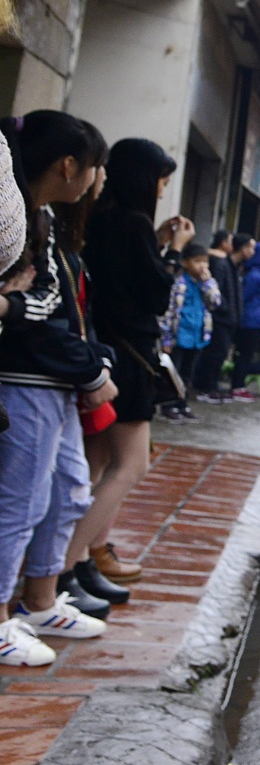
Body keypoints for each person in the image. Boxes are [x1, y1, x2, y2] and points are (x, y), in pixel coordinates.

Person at [0, 112, 115, 666]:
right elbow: (39, 309)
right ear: (69, 165)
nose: (99, 181)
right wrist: (92, 369)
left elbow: (41, 304)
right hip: (28, 378)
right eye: (95, 168)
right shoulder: (20, 218)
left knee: (67, 487)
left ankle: (39, 600)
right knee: (19, 501)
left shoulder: (44, 219)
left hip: (56, 379)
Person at [69, 139, 191, 608]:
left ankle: (80, 563)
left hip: (104, 350)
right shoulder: (132, 222)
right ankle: (66, 564)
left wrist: (157, 243)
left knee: (96, 463)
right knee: (130, 464)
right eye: (162, 179)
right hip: (130, 355)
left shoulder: (100, 218)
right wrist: (174, 251)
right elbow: (156, 295)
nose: (163, 188)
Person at [162, 244, 219, 422]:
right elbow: (169, 312)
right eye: (197, 261)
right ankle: (168, 405)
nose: (202, 266)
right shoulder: (178, 283)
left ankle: (182, 404)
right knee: (174, 373)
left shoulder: (208, 283)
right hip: (179, 335)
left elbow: (215, 303)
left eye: (205, 262)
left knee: (188, 373)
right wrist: (166, 338)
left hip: (198, 336)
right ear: (185, 263)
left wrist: (207, 283)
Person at [196, 230, 239, 402]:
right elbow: (217, 291)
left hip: (225, 316)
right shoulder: (219, 263)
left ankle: (208, 385)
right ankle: (207, 387)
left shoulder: (224, 262)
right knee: (215, 353)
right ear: (223, 243)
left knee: (217, 353)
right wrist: (225, 309)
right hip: (220, 317)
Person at [228, 234, 260, 400]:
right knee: (244, 355)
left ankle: (239, 385)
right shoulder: (255, 276)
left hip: (256, 321)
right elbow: (243, 297)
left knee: (247, 355)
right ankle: (237, 387)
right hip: (249, 321)